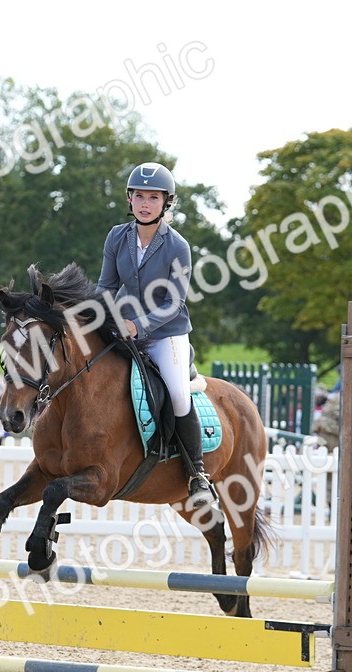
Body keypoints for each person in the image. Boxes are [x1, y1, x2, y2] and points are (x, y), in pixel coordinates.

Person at [96, 161, 212, 507]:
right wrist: (102, 314)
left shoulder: (178, 246)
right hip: (123, 326)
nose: (145, 203)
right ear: (129, 200)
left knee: (177, 393)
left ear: (166, 203)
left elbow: (174, 302)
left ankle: (197, 475)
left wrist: (138, 325)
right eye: (140, 196)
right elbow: (106, 285)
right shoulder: (117, 236)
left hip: (166, 334)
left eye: (153, 197)